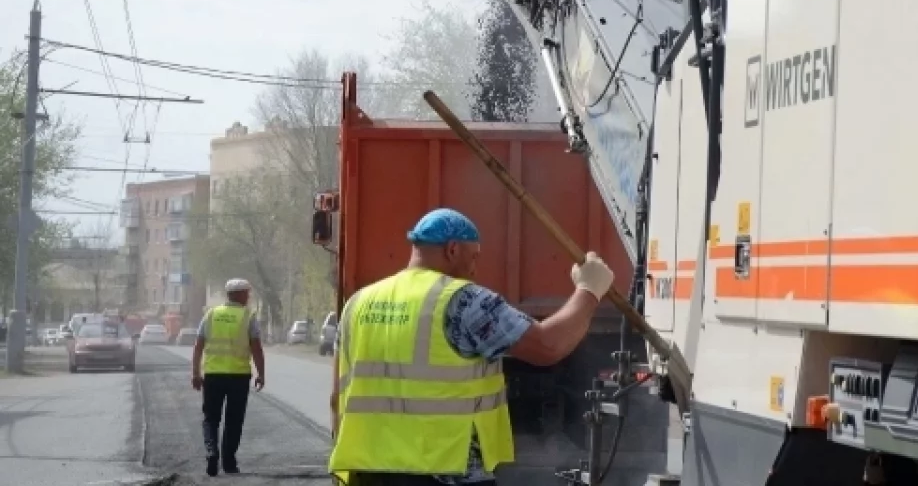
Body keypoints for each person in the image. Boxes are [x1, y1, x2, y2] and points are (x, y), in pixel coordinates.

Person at [328, 208, 616, 486]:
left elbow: (336, 398)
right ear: (452, 249)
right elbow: (548, 345)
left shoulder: (356, 304)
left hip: (367, 472)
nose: (475, 269)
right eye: (473, 257)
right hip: (443, 473)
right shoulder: (462, 301)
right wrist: (589, 290)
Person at [192, 278, 266, 477]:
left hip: (214, 376)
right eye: (247, 293)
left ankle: (211, 452)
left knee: (210, 419)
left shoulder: (211, 314)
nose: (249, 296)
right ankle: (229, 462)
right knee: (234, 420)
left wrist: (195, 374)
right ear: (239, 294)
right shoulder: (248, 316)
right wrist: (261, 373)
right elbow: (256, 347)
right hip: (238, 377)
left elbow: (198, 346)